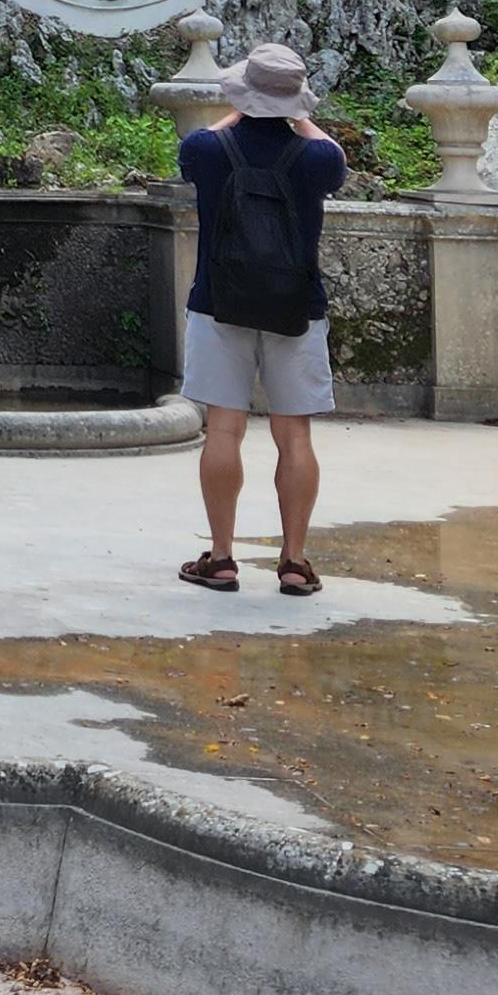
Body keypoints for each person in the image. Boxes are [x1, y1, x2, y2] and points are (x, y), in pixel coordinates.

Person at [175, 40, 345, 596]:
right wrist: (297, 115)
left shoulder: (206, 150)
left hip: (218, 303)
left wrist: (239, 109)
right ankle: (293, 562)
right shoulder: (318, 159)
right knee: (294, 436)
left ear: (244, 94)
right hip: (296, 306)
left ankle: (222, 557)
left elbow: (205, 139)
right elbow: (330, 151)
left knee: (223, 429)